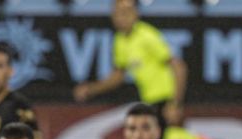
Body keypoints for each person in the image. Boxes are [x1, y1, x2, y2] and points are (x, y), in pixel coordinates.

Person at [72, 0, 187, 131]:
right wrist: (91, 89)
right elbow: (118, 76)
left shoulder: (147, 36)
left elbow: (179, 67)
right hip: (150, 103)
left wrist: (175, 104)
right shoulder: (120, 41)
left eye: (125, 13)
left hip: (166, 101)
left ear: (135, 14)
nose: (121, 18)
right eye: (117, 13)